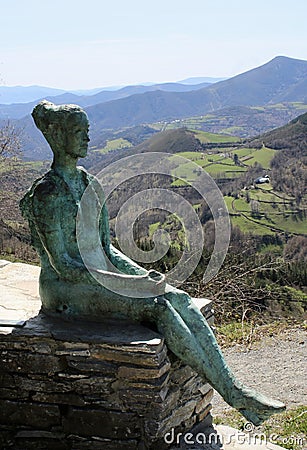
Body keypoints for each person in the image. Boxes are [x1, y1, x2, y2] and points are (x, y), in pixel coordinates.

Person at [20, 101, 285, 426]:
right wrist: (128, 285)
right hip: (66, 291)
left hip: (96, 277)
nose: (87, 138)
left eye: (87, 130)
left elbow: (106, 249)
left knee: (181, 299)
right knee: (157, 307)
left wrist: (140, 274)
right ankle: (237, 396)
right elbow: (65, 266)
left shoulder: (89, 183)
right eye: (80, 132)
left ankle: (236, 386)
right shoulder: (49, 194)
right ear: (59, 136)